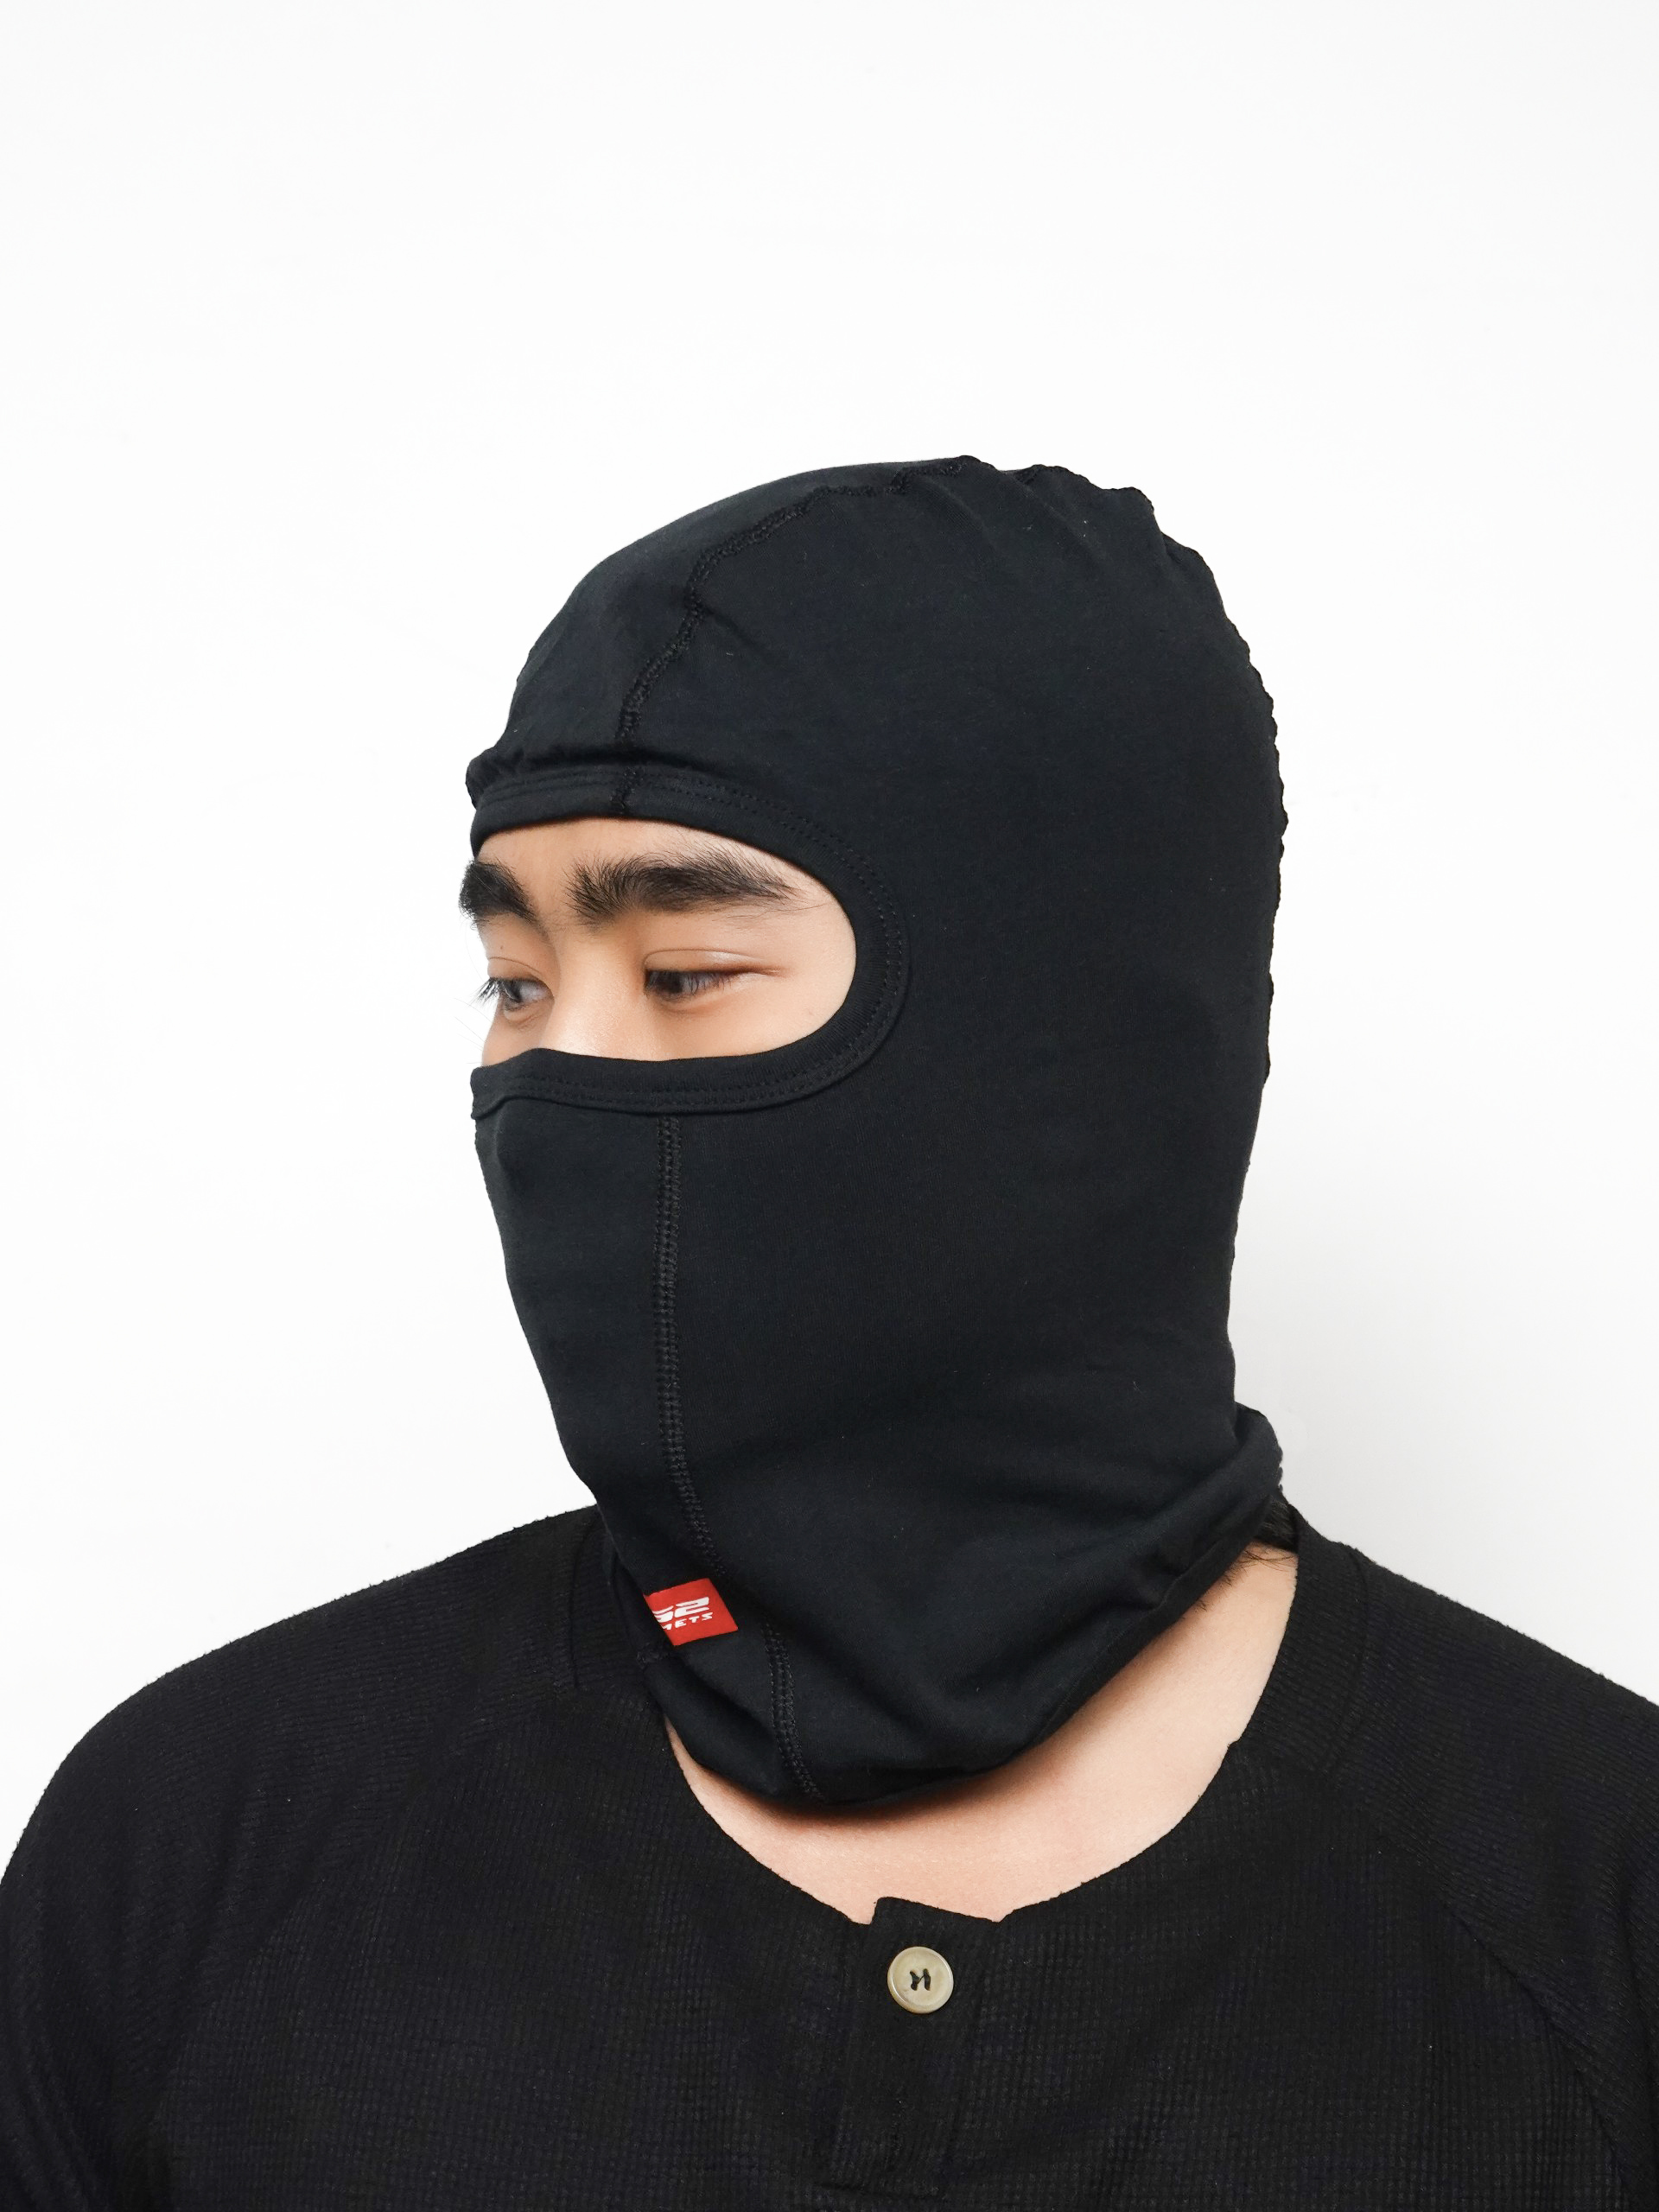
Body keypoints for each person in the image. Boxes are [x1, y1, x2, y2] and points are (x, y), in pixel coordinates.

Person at [2, 456, 1655, 2208]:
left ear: (1058, 1035)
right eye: (516, 981)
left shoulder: (1596, 1914)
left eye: (687, 972)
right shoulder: (198, 1842)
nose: (561, 1078)